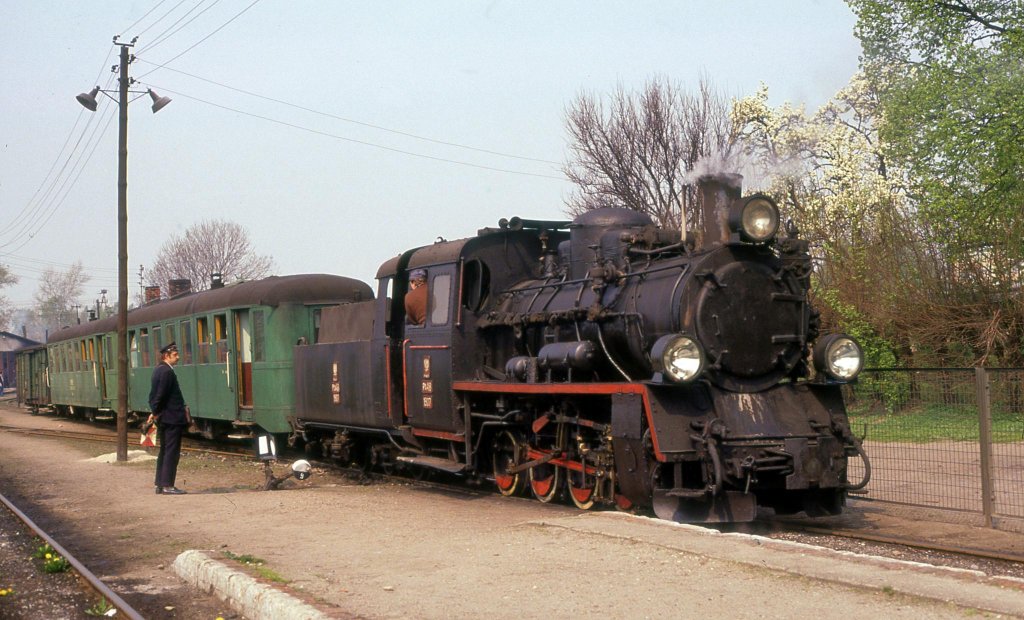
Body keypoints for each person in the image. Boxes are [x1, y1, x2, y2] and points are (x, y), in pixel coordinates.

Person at [147, 342, 191, 495]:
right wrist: (156, 412)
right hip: (172, 418)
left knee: (164, 451)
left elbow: (152, 396)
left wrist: (155, 412)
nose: (178, 357)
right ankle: (167, 485)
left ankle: (160, 484)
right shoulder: (167, 372)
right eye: (175, 355)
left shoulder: (158, 370)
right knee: (171, 452)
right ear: (166, 355)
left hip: (165, 418)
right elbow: (159, 396)